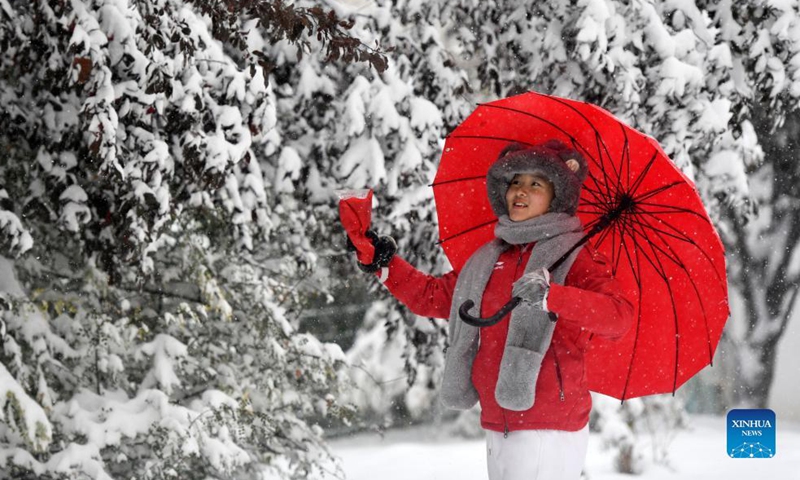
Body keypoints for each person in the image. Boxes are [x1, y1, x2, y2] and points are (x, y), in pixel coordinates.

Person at [343, 140, 635, 480]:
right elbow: (434, 296)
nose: (520, 191)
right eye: (515, 182)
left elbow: (618, 316)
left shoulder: (576, 256)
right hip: (498, 418)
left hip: (550, 425)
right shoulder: (490, 258)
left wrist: (551, 296)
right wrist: (385, 265)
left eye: (535, 184)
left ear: (557, 195)